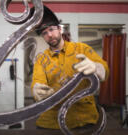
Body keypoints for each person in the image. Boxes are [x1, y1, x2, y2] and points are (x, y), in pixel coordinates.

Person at [30, 5, 109, 133]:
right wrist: (36, 89)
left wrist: (96, 67)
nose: (49, 34)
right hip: (51, 121)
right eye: (44, 33)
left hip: (84, 118)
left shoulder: (81, 48)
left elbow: (105, 71)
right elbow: (38, 81)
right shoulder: (41, 59)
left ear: (60, 29)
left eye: (51, 29)